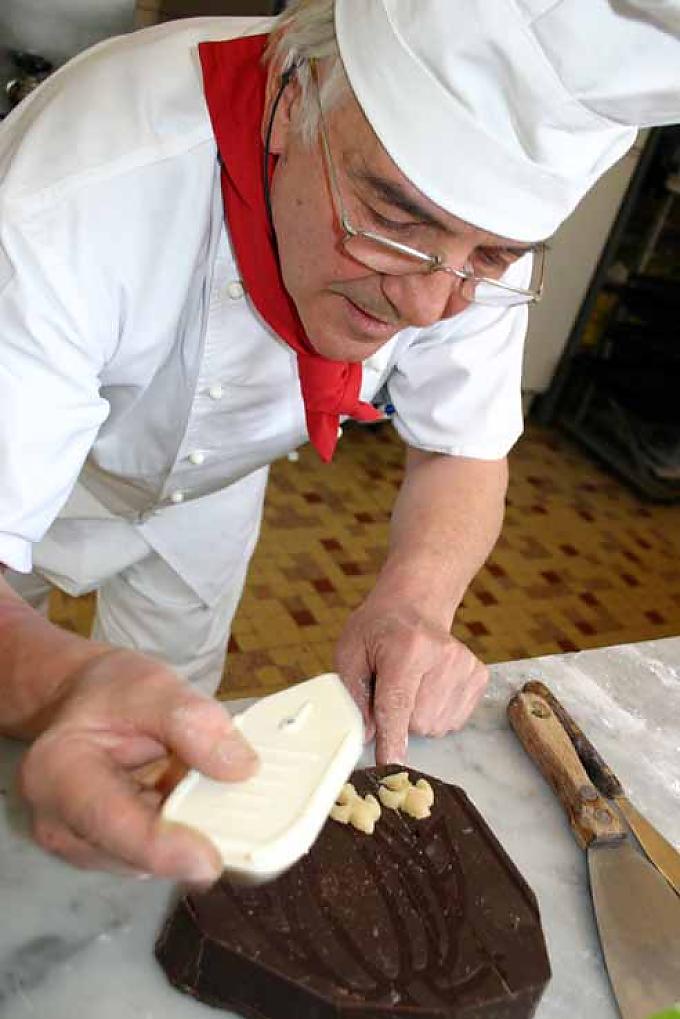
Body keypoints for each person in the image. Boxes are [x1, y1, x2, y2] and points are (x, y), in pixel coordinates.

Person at [1, 0, 678, 884]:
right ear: (294, 101)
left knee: (168, 747)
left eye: (491, 257)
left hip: (209, 497)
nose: (427, 306)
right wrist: (57, 685)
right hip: (41, 464)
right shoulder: (78, 186)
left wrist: (415, 602)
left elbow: (463, 448)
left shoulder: (457, 247)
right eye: (393, 220)